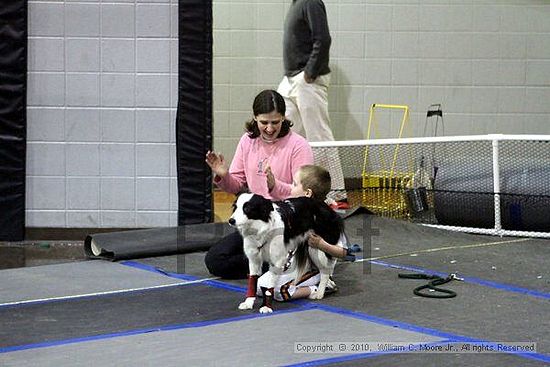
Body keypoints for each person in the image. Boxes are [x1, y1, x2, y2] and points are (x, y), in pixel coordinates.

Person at [204, 89, 314, 279]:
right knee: (215, 260)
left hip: (286, 222)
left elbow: (303, 196)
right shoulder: (248, 141)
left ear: (284, 118)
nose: (270, 128)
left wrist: (275, 186)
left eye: (275, 122)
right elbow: (237, 186)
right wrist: (224, 176)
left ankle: (285, 262)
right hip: (257, 221)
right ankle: (281, 265)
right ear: (255, 118)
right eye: (264, 122)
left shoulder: (298, 145)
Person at [276, 0, 348, 207]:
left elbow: (323, 39)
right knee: (283, 132)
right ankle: (284, 188)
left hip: (308, 80)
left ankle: (337, 193)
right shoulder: (296, 4)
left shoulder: (311, 1)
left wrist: (310, 72)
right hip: (290, 79)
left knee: (320, 136)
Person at [256, 164, 348, 301]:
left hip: (314, 269)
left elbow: (344, 252)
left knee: (279, 291)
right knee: (261, 286)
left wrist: (321, 244)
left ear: (307, 194)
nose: (291, 188)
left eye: (294, 184)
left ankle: (318, 286)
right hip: (296, 265)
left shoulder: (326, 217)